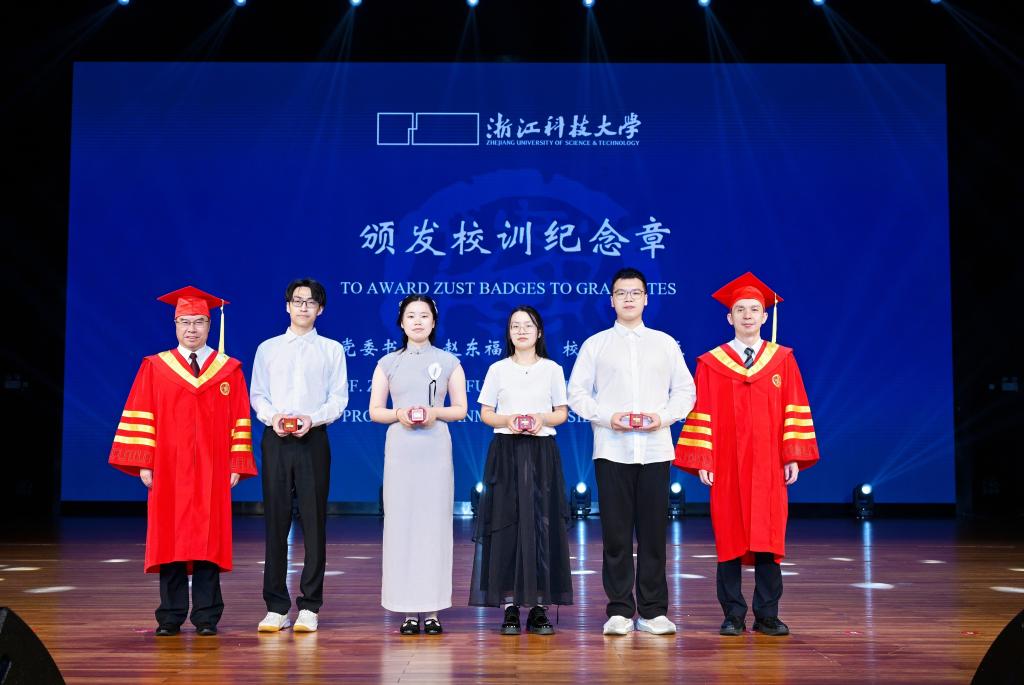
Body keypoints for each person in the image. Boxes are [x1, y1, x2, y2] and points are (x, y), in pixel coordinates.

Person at [674, 272, 819, 637]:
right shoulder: (712, 363)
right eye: (740, 310)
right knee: (729, 537)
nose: (748, 315)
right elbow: (701, 412)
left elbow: (794, 406)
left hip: (770, 464)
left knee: (769, 536)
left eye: (754, 309)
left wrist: (792, 455)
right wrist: (704, 459)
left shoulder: (782, 360)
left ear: (765, 316)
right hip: (727, 464)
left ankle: (767, 614)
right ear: (730, 317)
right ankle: (733, 614)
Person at [108, 286, 257, 637]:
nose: (192, 329)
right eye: (185, 322)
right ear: (175, 325)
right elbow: (142, 413)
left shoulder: (228, 370)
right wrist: (145, 461)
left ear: (210, 325)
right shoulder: (155, 367)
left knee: (208, 539)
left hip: (212, 467)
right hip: (168, 467)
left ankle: (206, 616)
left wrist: (236, 462)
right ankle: (170, 615)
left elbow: (240, 418)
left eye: (199, 321)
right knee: (170, 538)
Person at [567, 267, 696, 636]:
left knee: (654, 534)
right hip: (612, 449)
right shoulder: (596, 345)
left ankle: (653, 612)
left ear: (646, 298)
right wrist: (608, 417)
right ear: (611, 300)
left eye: (635, 292)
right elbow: (576, 393)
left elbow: (685, 392)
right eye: (621, 293)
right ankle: (620, 610)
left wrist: (662, 418)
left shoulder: (665, 343)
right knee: (616, 534)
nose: (628, 298)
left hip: (655, 449)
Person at [250, 279, 348, 633]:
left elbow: (339, 398)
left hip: (313, 439)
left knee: (314, 521)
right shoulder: (268, 348)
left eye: (311, 302)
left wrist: (313, 418)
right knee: (275, 521)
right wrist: (272, 416)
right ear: (287, 306)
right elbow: (257, 394)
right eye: (297, 300)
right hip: (275, 439)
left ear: (321, 309)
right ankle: (276, 606)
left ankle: (309, 606)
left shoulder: (332, 350)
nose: (303, 306)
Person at [469, 305, 573, 635]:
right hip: (506, 450)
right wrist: (509, 419)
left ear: (539, 332)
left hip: (542, 452)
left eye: (528, 325)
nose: (522, 331)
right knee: (507, 524)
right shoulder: (498, 369)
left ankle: (539, 608)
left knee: (542, 524)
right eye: (515, 326)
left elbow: (561, 413)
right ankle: (510, 606)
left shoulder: (552, 369)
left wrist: (540, 418)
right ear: (509, 333)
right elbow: (486, 413)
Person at [368, 294, 468, 636]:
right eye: (411, 316)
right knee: (401, 525)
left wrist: (433, 412)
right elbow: (375, 411)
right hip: (401, 448)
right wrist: (399, 413)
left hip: (435, 447)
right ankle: (407, 610)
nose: (417, 321)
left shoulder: (449, 361)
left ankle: (433, 608)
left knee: (434, 526)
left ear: (434, 321)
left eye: (424, 316)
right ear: (401, 322)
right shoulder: (387, 363)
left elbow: (460, 409)